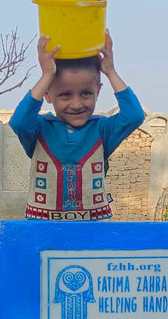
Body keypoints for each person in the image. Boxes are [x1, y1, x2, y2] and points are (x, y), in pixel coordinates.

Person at [9, 30, 145, 221]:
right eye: (65, 94)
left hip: (93, 230)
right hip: (43, 228)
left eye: (86, 93)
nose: (76, 104)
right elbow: (19, 121)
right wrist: (47, 75)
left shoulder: (102, 130)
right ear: (48, 95)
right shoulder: (40, 128)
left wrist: (110, 71)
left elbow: (134, 116)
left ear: (97, 91)